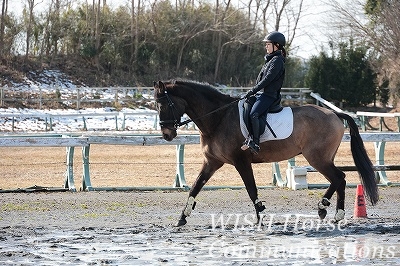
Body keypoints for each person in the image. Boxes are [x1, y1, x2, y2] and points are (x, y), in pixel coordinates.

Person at [242, 31, 286, 154]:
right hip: (261, 94)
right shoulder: (270, 60)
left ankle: (255, 143)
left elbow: (267, 80)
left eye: (268, 44)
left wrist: (253, 90)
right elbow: (259, 79)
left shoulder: (277, 61)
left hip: (269, 95)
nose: (266, 46)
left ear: (276, 45)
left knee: (254, 114)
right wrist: (252, 92)